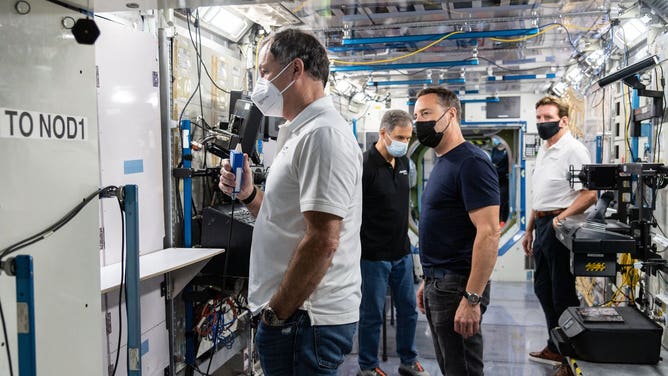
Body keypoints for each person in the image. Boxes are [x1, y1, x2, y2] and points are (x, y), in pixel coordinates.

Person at [218, 28, 363, 375]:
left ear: (295, 69)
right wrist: (249, 195)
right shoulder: (300, 132)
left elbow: (323, 239)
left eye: (265, 72)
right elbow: (288, 219)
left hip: (303, 319)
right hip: (297, 318)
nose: (261, 83)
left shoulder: (322, 135)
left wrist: (277, 312)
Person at [413, 87, 500, 376]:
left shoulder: (471, 162)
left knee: (462, 369)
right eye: (416, 116)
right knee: (451, 367)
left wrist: (472, 298)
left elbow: (488, 233)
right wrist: (429, 277)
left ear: (451, 115)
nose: (419, 122)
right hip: (440, 283)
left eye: (426, 114)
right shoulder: (443, 161)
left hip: (458, 288)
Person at [522, 96, 596, 375]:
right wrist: (529, 229)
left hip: (559, 228)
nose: (542, 122)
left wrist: (559, 220)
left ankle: (570, 356)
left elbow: (589, 195)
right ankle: (555, 345)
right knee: (543, 289)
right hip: (542, 225)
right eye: (538, 118)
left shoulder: (573, 151)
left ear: (563, 120)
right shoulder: (544, 149)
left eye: (547, 117)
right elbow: (539, 195)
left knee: (561, 294)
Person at [357, 110, 429, 376]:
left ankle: (408, 361)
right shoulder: (364, 165)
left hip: (402, 252)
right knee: (372, 315)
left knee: (409, 312)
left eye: (408, 138)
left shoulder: (403, 163)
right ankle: (367, 367)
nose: (404, 143)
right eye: (400, 137)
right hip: (373, 256)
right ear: (383, 133)